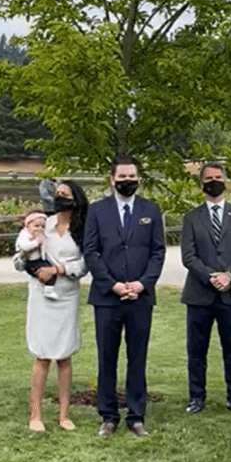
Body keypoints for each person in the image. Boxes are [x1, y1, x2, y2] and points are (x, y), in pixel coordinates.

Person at [83, 156, 165, 438]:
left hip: (140, 299)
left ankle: (136, 415)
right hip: (107, 298)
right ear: (112, 179)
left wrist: (142, 284)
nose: (127, 180)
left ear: (139, 179)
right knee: (107, 357)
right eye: (122, 176)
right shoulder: (97, 211)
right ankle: (107, 415)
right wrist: (113, 285)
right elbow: (91, 252)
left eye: (132, 176)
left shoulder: (151, 210)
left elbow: (158, 252)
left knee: (137, 356)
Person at [15, 182, 89, 432]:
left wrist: (59, 269)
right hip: (41, 297)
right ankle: (35, 415)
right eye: (57, 195)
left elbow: (84, 264)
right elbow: (19, 257)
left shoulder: (82, 230)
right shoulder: (41, 224)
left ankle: (64, 414)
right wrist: (30, 264)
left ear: (76, 200)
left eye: (65, 196)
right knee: (42, 355)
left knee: (64, 356)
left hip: (66, 296)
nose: (60, 199)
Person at [180, 162, 231, 415]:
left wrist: (230, 275)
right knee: (196, 351)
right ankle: (196, 398)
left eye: (218, 177)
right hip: (199, 295)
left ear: (226, 180)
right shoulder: (191, 217)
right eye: (208, 178)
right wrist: (211, 276)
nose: (213, 181)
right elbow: (188, 256)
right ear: (201, 184)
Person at [15, 209, 58, 300]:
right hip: (31, 262)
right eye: (36, 226)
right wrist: (36, 243)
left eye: (42, 226)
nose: (40, 229)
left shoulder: (41, 235)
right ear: (28, 226)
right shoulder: (25, 235)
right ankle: (48, 290)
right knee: (46, 272)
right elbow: (24, 247)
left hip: (39, 259)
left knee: (51, 269)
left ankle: (48, 289)